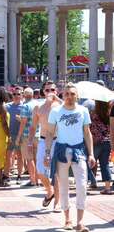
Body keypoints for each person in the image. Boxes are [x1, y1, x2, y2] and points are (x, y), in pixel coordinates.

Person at [45, 83, 95, 232]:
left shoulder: (83, 110)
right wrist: (47, 153)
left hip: (79, 150)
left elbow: (87, 133)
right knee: (64, 186)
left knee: (82, 186)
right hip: (61, 150)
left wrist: (91, 153)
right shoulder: (55, 111)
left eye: (72, 94)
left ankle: (80, 223)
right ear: (62, 95)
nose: (69, 97)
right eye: (66, 94)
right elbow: (49, 133)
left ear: (77, 96)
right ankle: (67, 220)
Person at [28, 81, 61, 211]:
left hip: (57, 140)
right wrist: (30, 141)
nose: (49, 92)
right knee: (40, 171)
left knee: (57, 173)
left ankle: (57, 203)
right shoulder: (38, 107)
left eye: (52, 90)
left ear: (56, 91)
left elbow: (70, 109)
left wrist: (56, 98)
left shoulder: (60, 105)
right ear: (43, 92)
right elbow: (33, 126)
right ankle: (49, 191)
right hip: (42, 140)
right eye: (47, 90)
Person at [16, 87, 38, 186]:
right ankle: (37, 179)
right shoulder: (38, 105)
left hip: (27, 135)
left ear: (24, 95)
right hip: (38, 135)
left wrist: (18, 137)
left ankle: (33, 180)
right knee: (37, 159)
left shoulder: (25, 106)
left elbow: (23, 123)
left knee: (29, 159)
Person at [90, 100, 112, 194]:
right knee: (105, 164)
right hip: (107, 142)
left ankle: (92, 182)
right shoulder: (109, 114)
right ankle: (107, 188)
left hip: (96, 142)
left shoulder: (93, 114)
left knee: (89, 164)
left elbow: (90, 128)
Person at [4, 87, 24, 184]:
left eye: (18, 94)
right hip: (9, 135)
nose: (16, 96)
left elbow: (29, 122)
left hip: (20, 135)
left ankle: (19, 175)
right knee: (8, 155)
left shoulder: (24, 107)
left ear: (22, 95)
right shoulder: (7, 106)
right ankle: (6, 175)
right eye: (14, 94)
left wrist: (22, 120)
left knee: (20, 156)